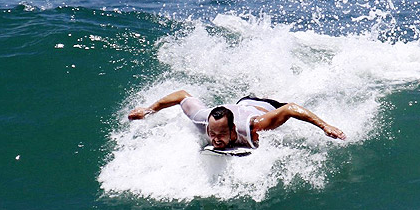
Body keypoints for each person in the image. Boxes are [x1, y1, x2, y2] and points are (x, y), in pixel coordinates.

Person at [128, 90, 346, 149]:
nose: (215, 140)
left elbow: (289, 109)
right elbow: (182, 95)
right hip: (241, 103)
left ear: (233, 130)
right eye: (212, 134)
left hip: (266, 105)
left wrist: (325, 126)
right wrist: (148, 110)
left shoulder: (253, 126)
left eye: (221, 135)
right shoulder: (202, 120)